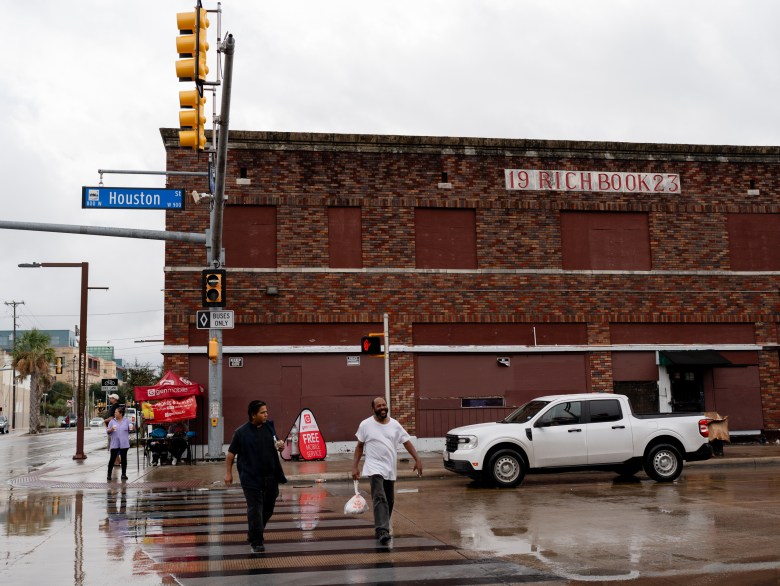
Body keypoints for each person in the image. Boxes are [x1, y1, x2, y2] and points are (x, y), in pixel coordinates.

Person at [352, 396, 423, 545]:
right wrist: (355, 467)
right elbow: (359, 447)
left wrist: (417, 459)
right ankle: (383, 530)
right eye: (379, 406)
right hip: (373, 467)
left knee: (389, 500)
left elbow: (406, 442)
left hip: (390, 468)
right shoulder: (366, 425)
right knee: (380, 497)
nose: (382, 408)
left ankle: (381, 527)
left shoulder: (395, 425)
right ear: (373, 409)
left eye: (384, 405)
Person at [225, 400, 287, 554]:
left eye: (266, 412)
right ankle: (256, 541)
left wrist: (280, 446)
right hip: (250, 477)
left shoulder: (269, 427)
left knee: (268, 508)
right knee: (255, 510)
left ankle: (254, 532)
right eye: (262, 412)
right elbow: (231, 455)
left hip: (270, 476)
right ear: (253, 415)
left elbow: (276, 443)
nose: (266, 415)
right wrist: (228, 473)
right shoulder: (241, 432)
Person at [106, 407, 133, 481]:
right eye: (114, 412)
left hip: (124, 444)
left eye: (116, 412)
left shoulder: (127, 421)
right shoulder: (112, 421)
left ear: (121, 413)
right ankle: (109, 474)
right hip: (115, 444)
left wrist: (132, 428)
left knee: (124, 459)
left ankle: (123, 474)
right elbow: (107, 431)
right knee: (112, 459)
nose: (114, 413)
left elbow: (131, 429)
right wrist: (111, 429)